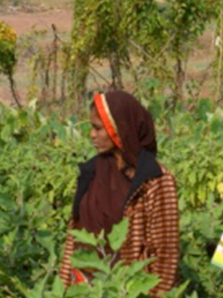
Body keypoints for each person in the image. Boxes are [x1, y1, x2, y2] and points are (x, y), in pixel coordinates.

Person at [59, 91, 181, 296]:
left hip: (128, 290)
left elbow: (165, 253)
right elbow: (74, 237)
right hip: (84, 289)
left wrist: (157, 293)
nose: (92, 134)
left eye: (98, 128)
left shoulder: (154, 180)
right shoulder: (92, 172)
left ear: (120, 130)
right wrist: (64, 287)